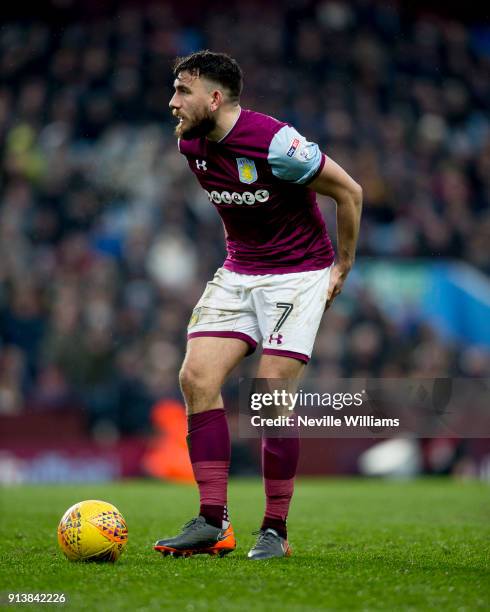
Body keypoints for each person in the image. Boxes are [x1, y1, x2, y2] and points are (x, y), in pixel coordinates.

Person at [154, 51, 362, 560]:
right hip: (240, 271)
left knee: (268, 397)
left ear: (215, 97)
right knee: (196, 378)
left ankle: (274, 530)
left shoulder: (277, 144)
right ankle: (211, 522)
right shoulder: (190, 142)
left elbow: (349, 192)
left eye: (183, 91)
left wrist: (343, 266)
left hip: (298, 274)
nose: (173, 101)